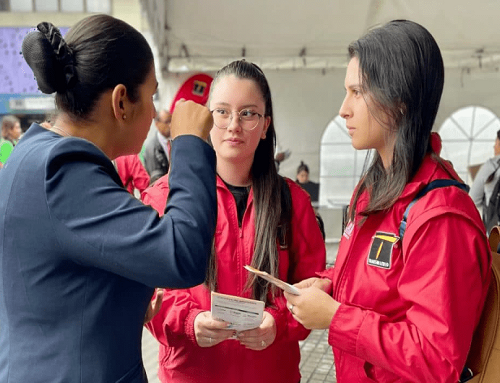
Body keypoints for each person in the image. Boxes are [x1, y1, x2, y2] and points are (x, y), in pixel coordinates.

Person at [0, 15, 217, 383]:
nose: (153, 111)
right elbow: (182, 254)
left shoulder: (32, 154)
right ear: (121, 102)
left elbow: (54, 279)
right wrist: (189, 144)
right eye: (150, 96)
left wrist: (123, 301)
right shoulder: (64, 170)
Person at [284, 20, 491, 383]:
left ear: (399, 101)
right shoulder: (374, 188)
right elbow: (373, 277)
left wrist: (335, 317)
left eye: (357, 92)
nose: (343, 108)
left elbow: (437, 358)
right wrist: (328, 283)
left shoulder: (440, 216)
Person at [142, 59, 326, 383]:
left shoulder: (292, 202)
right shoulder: (166, 196)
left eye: (248, 113)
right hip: (191, 372)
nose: (234, 125)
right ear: (207, 118)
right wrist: (189, 321)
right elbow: (146, 288)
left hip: (271, 373)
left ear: (266, 124)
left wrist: (279, 321)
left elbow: (315, 284)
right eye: (222, 111)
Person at [469, 129, 500, 221]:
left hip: (495, 229)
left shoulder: (491, 165)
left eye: (496, 144)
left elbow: (473, 200)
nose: (494, 147)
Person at [143, 109, 172, 184]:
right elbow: (156, 180)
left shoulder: (175, 141)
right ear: (157, 124)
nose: (170, 125)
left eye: (172, 121)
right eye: (167, 122)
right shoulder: (151, 149)